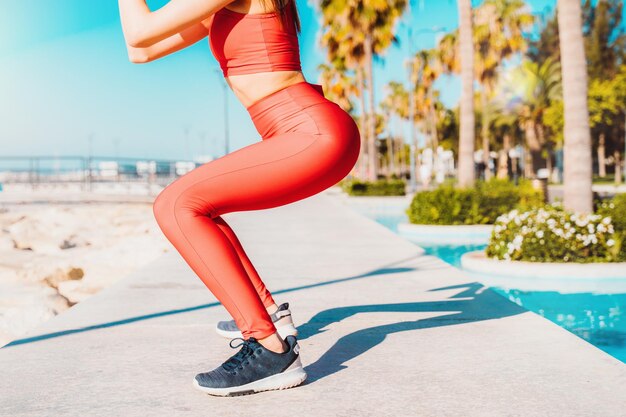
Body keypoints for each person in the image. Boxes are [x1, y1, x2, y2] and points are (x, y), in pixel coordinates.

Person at [118, 0, 361, 397]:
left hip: (311, 132)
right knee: (197, 207)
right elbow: (140, 51)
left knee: (176, 204)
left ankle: (269, 349)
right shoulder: (216, 10)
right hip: (307, 132)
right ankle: (267, 316)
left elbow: (138, 31)